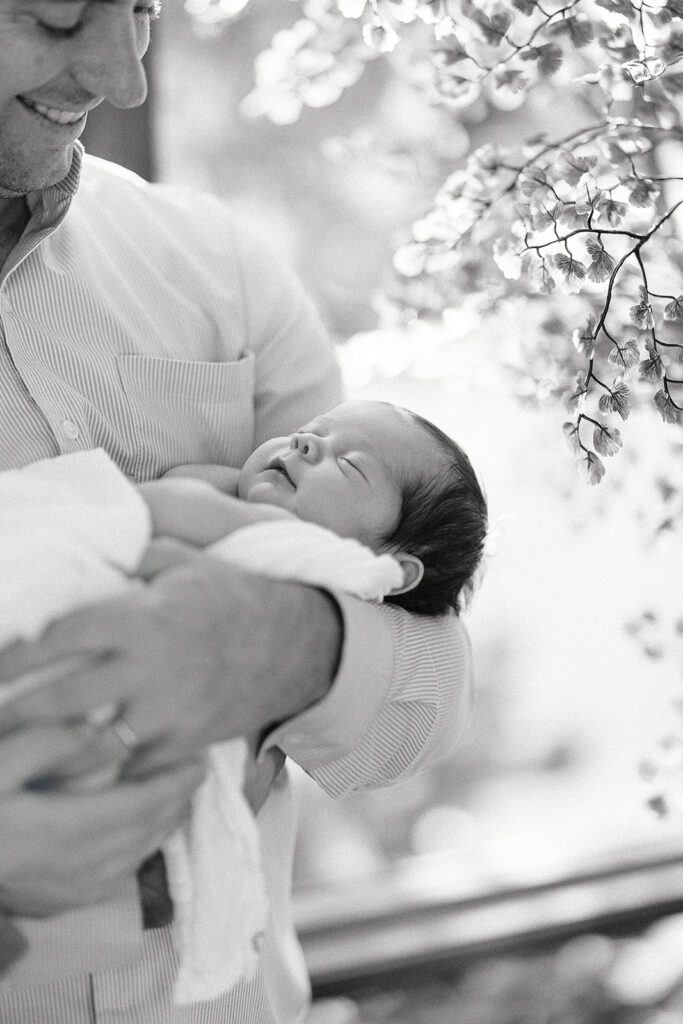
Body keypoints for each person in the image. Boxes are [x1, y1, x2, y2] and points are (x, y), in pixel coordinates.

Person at [0, 4, 474, 1021]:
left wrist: (284, 643)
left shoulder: (214, 264)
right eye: (56, 14)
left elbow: (430, 676)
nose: (123, 78)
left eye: (142, 11)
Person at [153, 397, 488, 618]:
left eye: (349, 465)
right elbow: (170, 491)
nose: (304, 443)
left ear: (391, 571)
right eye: (308, 431)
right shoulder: (225, 492)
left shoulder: (327, 601)